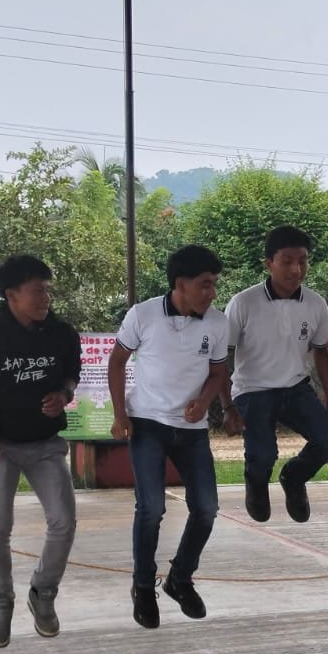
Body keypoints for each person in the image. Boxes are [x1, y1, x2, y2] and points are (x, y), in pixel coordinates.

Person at [0, 255, 82, 647]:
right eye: (36, 291)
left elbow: (71, 375)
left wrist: (63, 395)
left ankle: (43, 592)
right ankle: (0, 602)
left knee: (63, 521)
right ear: (11, 295)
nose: (45, 298)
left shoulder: (62, 334)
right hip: (0, 447)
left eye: (47, 290)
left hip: (45, 446)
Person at [109, 244, 230, 629]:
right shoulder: (142, 315)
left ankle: (180, 578)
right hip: (147, 423)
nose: (212, 292)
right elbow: (117, 361)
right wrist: (119, 414)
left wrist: (205, 401)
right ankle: (143, 586)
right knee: (151, 508)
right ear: (180, 284)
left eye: (214, 284)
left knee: (207, 508)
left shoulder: (217, 322)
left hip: (192, 431)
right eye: (205, 284)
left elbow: (218, 373)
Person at [220, 225, 328, 523]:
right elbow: (220, 357)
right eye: (287, 261)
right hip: (252, 391)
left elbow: (321, 352)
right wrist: (227, 406)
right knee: (263, 455)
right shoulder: (243, 303)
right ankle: (256, 482)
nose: (296, 269)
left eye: (302, 261)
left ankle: (294, 477)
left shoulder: (315, 303)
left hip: (296, 388)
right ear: (269, 263)